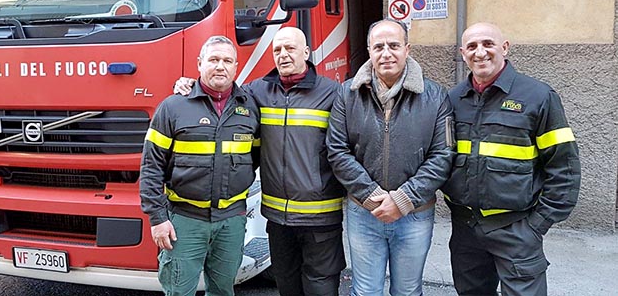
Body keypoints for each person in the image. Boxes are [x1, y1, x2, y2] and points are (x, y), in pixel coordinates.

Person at [175, 26, 346, 295]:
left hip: (320, 218)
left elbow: (346, 148)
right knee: (287, 285)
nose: (283, 55)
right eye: (277, 49)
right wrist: (188, 84)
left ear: (306, 52)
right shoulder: (257, 92)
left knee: (321, 288)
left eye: (290, 48)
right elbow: (220, 93)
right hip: (278, 219)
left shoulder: (333, 93)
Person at [442, 22, 581, 296]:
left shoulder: (538, 96)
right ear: (462, 53)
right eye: (471, 46)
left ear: (505, 48)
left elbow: (564, 167)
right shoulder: (453, 99)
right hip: (466, 230)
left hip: (516, 228)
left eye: (488, 44)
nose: (480, 52)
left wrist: (537, 225)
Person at [326, 18, 454, 296]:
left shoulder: (435, 97)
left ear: (407, 49)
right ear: (369, 51)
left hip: (414, 215)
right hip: (364, 213)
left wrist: (402, 200)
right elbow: (337, 150)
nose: (386, 53)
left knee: (407, 291)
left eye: (394, 45)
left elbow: (442, 155)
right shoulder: (347, 94)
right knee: (365, 291)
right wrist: (371, 196)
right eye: (379, 46)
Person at [140, 35, 260, 296]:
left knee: (223, 291)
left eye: (227, 60)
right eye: (213, 59)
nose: (220, 66)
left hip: (231, 222)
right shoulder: (173, 107)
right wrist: (158, 218)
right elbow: (151, 167)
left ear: (236, 66)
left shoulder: (249, 108)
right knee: (179, 291)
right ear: (199, 63)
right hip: (184, 221)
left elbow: (256, 157)